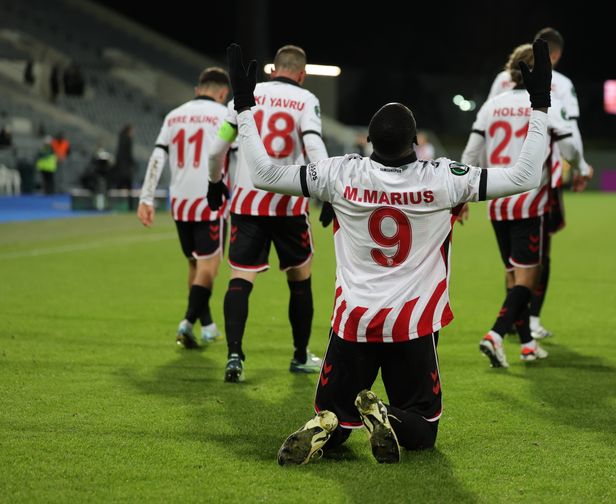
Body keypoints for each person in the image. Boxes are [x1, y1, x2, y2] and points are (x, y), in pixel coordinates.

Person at [224, 39, 551, 464]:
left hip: (353, 322)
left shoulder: (340, 172)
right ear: (415, 141)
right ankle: (388, 416)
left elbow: (265, 173)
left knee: (334, 418)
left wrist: (245, 108)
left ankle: (327, 424)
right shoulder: (443, 179)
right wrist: (539, 105)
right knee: (423, 429)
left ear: (368, 141)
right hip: (411, 325)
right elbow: (525, 175)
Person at [207, 44, 329, 382]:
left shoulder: (248, 93)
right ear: (302, 74)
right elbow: (314, 146)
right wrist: (327, 192)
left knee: (240, 279)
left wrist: (213, 182)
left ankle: (234, 356)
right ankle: (301, 355)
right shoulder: (306, 100)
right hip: (288, 204)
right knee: (299, 280)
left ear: (273, 69)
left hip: (246, 202)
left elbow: (217, 147)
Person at [463, 43, 582, 367]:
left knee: (513, 274)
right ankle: (496, 334)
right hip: (529, 201)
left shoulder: (492, 105)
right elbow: (570, 144)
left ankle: (527, 344)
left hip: (496, 201)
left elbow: (471, 153)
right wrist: (582, 168)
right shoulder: (544, 102)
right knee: (529, 276)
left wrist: (462, 196)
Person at [488, 27, 592, 339]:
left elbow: (488, 119)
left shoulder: (501, 81)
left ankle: (519, 326)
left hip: (500, 180)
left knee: (512, 260)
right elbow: (569, 130)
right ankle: (529, 322)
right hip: (542, 177)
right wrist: (580, 168)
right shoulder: (559, 83)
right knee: (538, 254)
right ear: (554, 55)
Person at [137, 67, 232, 348]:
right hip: (210, 200)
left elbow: (157, 156)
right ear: (223, 93)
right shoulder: (223, 115)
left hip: (179, 203)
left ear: (197, 89)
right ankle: (187, 323)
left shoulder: (174, 115)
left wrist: (146, 198)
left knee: (194, 262)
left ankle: (209, 326)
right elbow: (235, 158)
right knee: (209, 268)